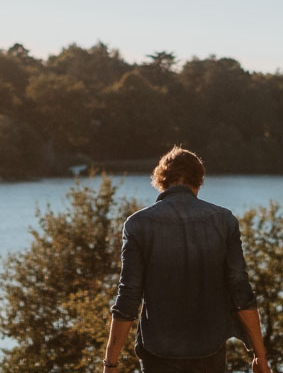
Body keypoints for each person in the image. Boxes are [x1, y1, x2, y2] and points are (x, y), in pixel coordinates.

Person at [103, 146, 272, 373]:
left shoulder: (138, 224)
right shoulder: (224, 221)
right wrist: (260, 356)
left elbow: (128, 296)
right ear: (199, 181)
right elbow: (241, 291)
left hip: (158, 352)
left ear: (161, 180)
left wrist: (111, 363)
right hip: (209, 349)